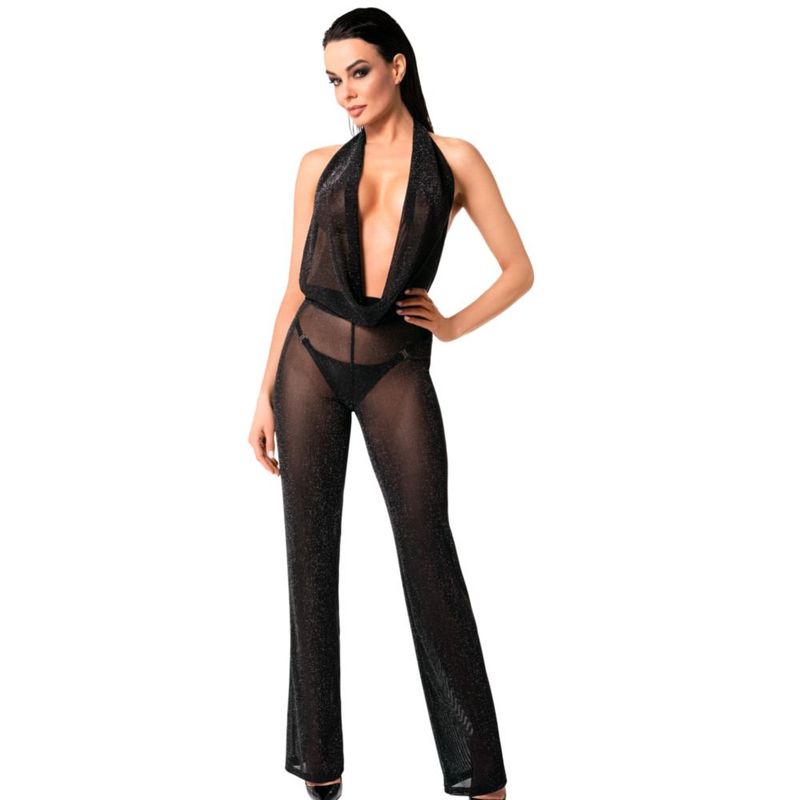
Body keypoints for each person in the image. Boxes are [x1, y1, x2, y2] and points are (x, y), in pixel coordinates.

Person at [248, 8, 533, 800]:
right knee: (309, 560)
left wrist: (454, 324)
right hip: (307, 364)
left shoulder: (455, 160)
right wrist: (264, 392)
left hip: (396, 367)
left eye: (359, 72)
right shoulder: (317, 165)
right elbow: (294, 287)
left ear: (398, 66)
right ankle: (320, 768)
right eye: (333, 80)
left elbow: (519, 268)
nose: (346, 92)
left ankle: (480, 774)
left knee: (427, 551)